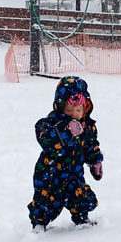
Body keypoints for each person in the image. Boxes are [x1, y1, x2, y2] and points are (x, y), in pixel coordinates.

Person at [28, 76, 104, 232]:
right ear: (60, 107)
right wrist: (65, 130)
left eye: (78, 110)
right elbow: (45, 138)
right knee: (46, 200)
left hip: (74, 172)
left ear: (86, 108)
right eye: (69, 110)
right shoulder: (51, 123)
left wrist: (95, 161)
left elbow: (90, 145)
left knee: (80, 196)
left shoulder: (87, 127)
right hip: (50, 173)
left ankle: (82, 220)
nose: (74, 114)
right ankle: (39, 225)